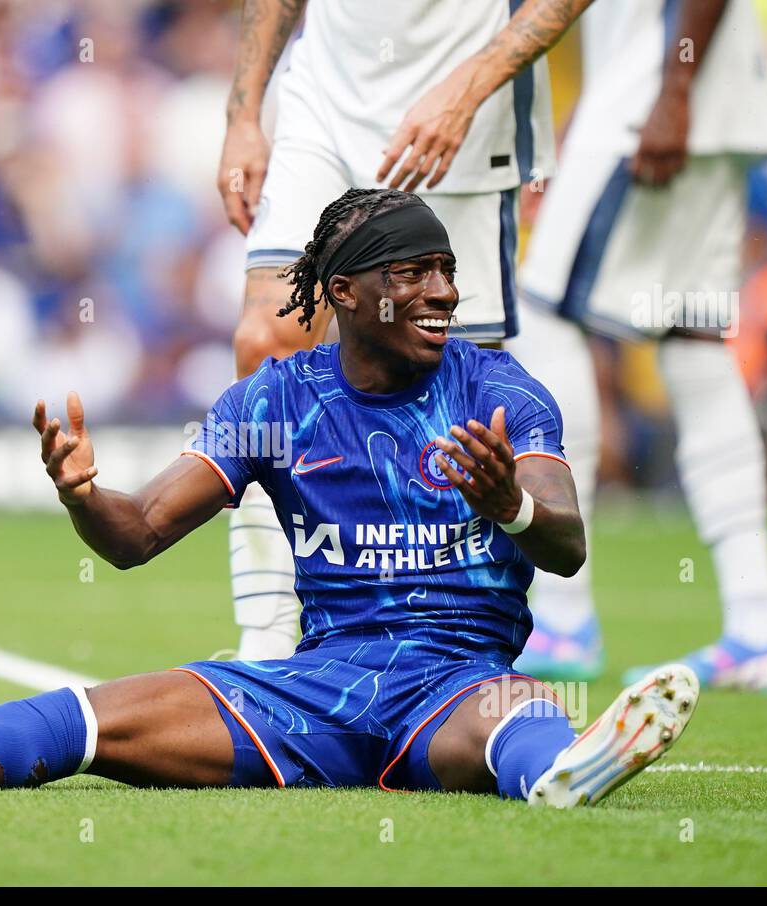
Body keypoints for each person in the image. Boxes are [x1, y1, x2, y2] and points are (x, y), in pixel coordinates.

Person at [0, 190, 698, 806]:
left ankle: (567, 767)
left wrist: (510, 505)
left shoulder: (498, 387)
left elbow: (563, 539)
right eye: (414, 273)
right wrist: (81, 495)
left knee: (517, 715)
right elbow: (138, 534)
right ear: (343, 293)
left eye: (446, 272)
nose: (441, 292)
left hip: (453, 680)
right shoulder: (274, 400)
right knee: (88, 718)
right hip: (317, 687)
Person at [217, 0, 598, 661]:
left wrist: (473, 82)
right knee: (266, 339)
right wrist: (244, 113)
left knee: (457, 389)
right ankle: (270, 641)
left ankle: (454, 635)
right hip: (325, 95)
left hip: (464, 108)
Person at [507, 0, 767, 691]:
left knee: (543, 313)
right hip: (703, 97)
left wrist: (672, 91)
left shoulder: (669, 86)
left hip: (661, 96)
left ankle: (565, 614)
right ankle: (757, 624)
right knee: (694, 340)